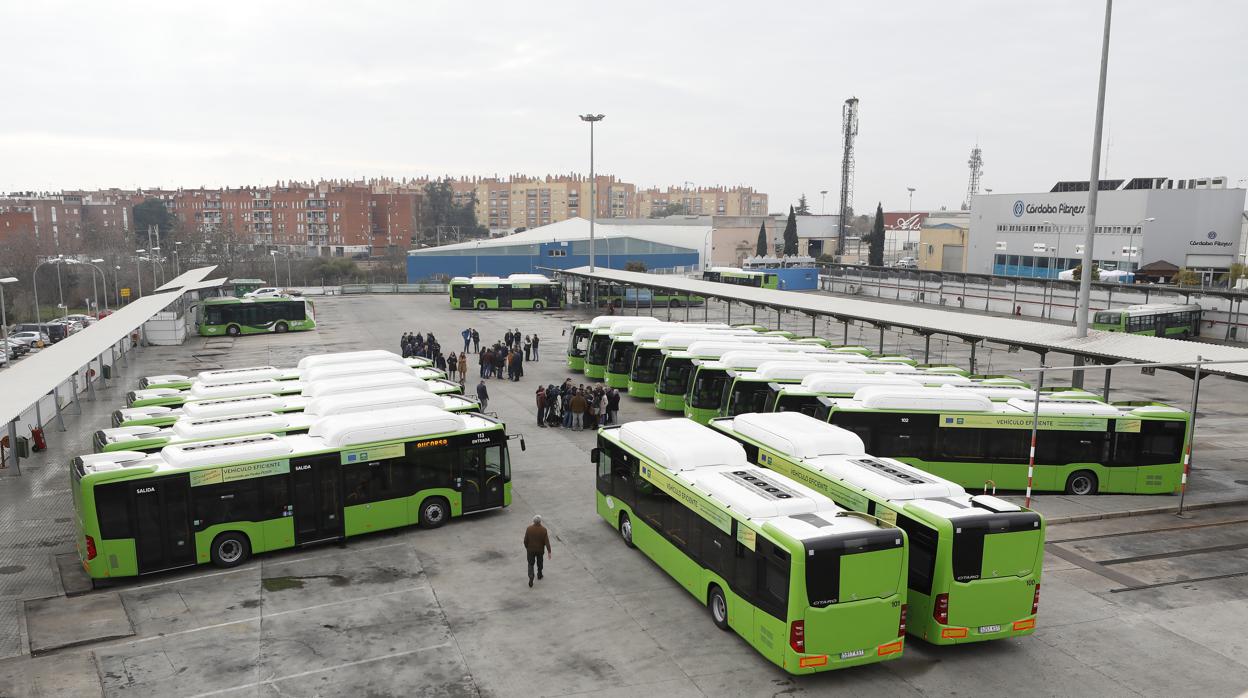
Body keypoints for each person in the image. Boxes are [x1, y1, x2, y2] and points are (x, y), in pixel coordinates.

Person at [524, 514, 552, 588]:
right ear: (540, 522)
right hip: (540, 550)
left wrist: (527, 547)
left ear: (533, 521)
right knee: (540, 562)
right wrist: (549, 551)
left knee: (530, 564)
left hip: (530, 550)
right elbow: (547, 542)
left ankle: (531, 577)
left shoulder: (529, 529)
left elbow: (525, 540)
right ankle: (539, 574)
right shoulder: (543, 530)